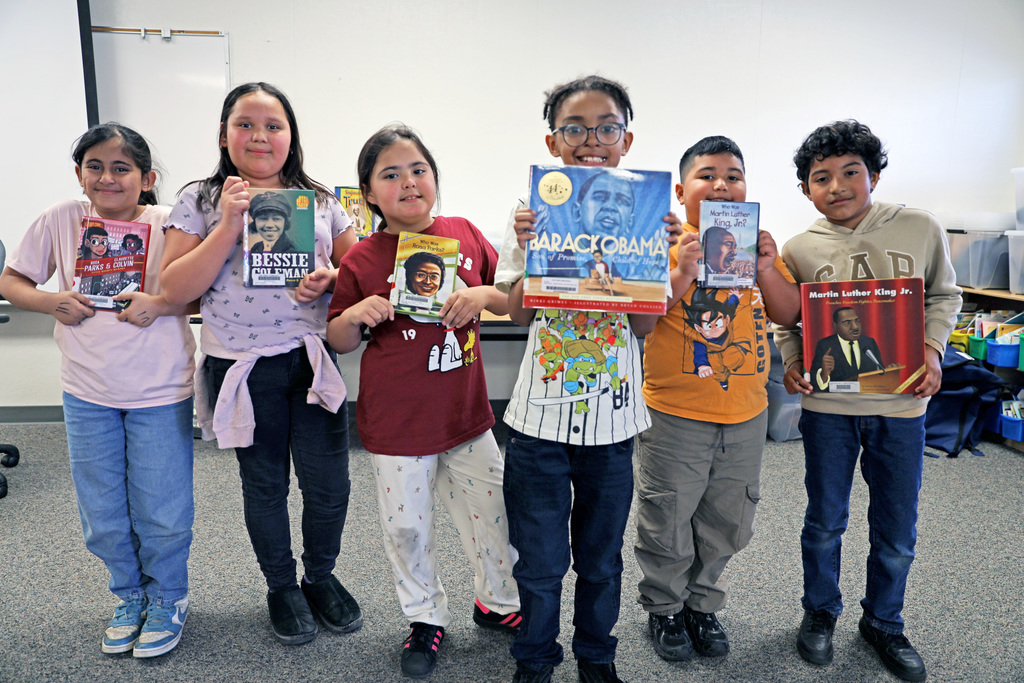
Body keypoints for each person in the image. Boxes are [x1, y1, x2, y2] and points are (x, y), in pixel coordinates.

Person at [159, 82, 362, 647]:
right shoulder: (199, 199)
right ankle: (281, 585)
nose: (259, 136)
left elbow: (362, 273)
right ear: (223, 135)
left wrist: (334, 280)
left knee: (330, 487)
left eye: (273, 125)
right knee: (265, 485)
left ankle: (319, 575)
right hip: (241, 368)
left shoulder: (319, 200)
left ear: (290, 135)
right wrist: (228, 223)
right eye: (245, 124)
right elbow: (174, 289)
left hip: (311, 361)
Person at [496, 75, 681, 683]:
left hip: (613, 424)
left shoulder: (648, 220)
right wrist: (531, 251)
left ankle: (597, 660)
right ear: (553, 142)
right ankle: (536, 660)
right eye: (574, 129)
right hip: (538, 424)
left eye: (606, 128)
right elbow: (519, 311)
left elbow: (644, 329)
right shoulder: (530, 217)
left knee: (601, 563)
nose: (590, 140)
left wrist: (664, 262)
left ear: (627, 141)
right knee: (541, 563)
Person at [326, 124, 522, 680]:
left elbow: (508, 300)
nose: (408, 183)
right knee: (407, 527)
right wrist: (356, 314)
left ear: (434, 178)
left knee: (496, 513)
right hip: (396, 424)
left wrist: (480, 295)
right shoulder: (362, 258)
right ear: (367, 193)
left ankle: (497, 603)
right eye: (390, 175)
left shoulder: (462, 232)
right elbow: (337, 337)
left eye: (418, 170)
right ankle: (424, 616)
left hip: (466, 418)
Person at [0, 123, 197, 658]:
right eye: (95, 166)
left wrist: (158, 300)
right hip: (86, 390)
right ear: (80, 174)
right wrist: (51, 301)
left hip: (160, 389)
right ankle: (129, 595)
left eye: (121, 167)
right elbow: (12, 280)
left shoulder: (172, 224)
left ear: (147, 178)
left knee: (163, 506)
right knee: (102, 508)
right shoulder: (61, 218)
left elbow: (196, 292)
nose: (107, 177)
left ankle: (169, 598)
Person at [777, 120, 961, 682]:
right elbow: (790, 321)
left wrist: (931, 350)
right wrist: (790, 363)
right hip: (829, 413)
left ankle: (884, 621)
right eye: (820, 178)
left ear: (874, 175)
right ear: (806, 189)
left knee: (896, 529)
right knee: (825, 521)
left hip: (901, 411)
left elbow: (944, 296)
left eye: (850, 172)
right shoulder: (798, 249)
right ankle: (820, 611)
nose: (836, 186)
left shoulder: (919, 227)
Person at [635, 135, 799, 663]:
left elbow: (786, 314)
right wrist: (680, 269)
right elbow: (642, 317)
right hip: (675, 412)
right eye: (707, 175)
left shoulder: (756, 246)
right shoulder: (660, 242)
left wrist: (770, 268)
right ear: (682, 190)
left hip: (747, 412)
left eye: (733, 175)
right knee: (669, 514)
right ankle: (664, 608)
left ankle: (702, 604)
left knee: (729, 518)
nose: (722, 184)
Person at [809, 306, 887, 390]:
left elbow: (879, 370)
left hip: (867, 398)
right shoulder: (825, 345)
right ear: (835, 326)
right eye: (847, 323)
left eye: (857, 321)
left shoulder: (869, 342)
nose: (855, 327)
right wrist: (824, 374)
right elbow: (813, 383)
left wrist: (888, 371)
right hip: (837, 399)